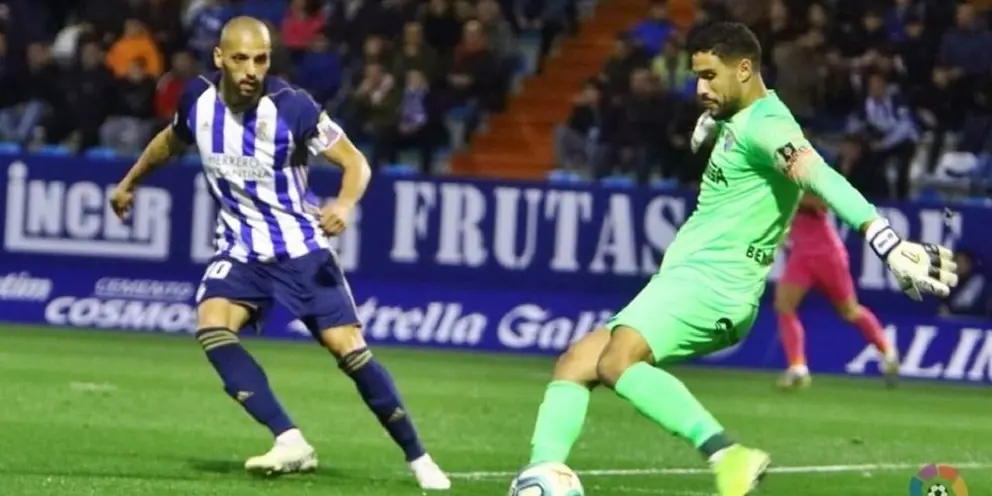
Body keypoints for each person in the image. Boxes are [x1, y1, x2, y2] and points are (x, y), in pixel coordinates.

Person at [517, 22, 957, 496]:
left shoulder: (768, 127)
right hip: (687, 280)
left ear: (744, 69)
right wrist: (716, 121)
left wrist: (885, 240)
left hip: (714, 285)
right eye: (697, 77)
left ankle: (728, 455)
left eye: (709, 76)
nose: (700, 88)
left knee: (616, 363)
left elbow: (819, 175)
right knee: (575, 362)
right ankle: (543, 476)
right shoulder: (740, 115)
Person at [107, 17, 450, 490]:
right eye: (241, 59)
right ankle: (290, 440)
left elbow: (355, 161)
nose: (252, 70)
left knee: (348, 350)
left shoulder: (293, 107)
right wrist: (129, 182)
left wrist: (344, 203)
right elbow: (172, 139)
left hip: (301, 249)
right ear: (219, 58)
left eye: (261, 59)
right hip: (241, 249)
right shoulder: (197, 99)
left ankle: (419, 457)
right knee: (212, 325)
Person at [775, 192, 899, 391]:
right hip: (801, 255)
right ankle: (797, 367)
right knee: (784, 306)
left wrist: (790, 196)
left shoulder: (802, 180)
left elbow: (823, 201)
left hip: (828, 254)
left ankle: (887, 351)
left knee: (849, 311)